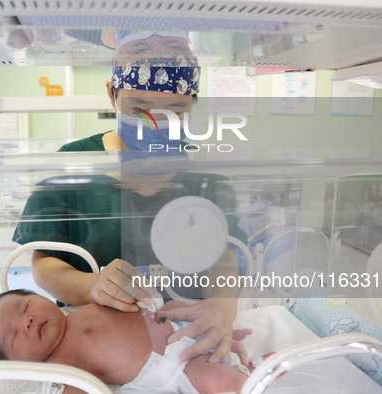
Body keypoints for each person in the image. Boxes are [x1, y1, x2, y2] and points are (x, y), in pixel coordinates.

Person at [13, 31, 248, 367]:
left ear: (193, 103)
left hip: (179, 336)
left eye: (176, 110)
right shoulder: (74, 165)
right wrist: (93, 286)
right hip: (93, 335)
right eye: (140, 108)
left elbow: (226, 259)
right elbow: (44, 264)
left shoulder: (204, 178)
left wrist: (224, 304)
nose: (156, 123)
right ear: (112, 95)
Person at [0, 289, 260, 394]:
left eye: (25, 307)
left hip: (174, 322)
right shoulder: (58, 363)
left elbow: (137, 302)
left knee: (183, 305)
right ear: (19, 364)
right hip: (174, 363)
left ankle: (220, 337)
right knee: (225, 384)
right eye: (12, 335)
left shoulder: (82, 305)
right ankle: (255, 371)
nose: (26, 322)